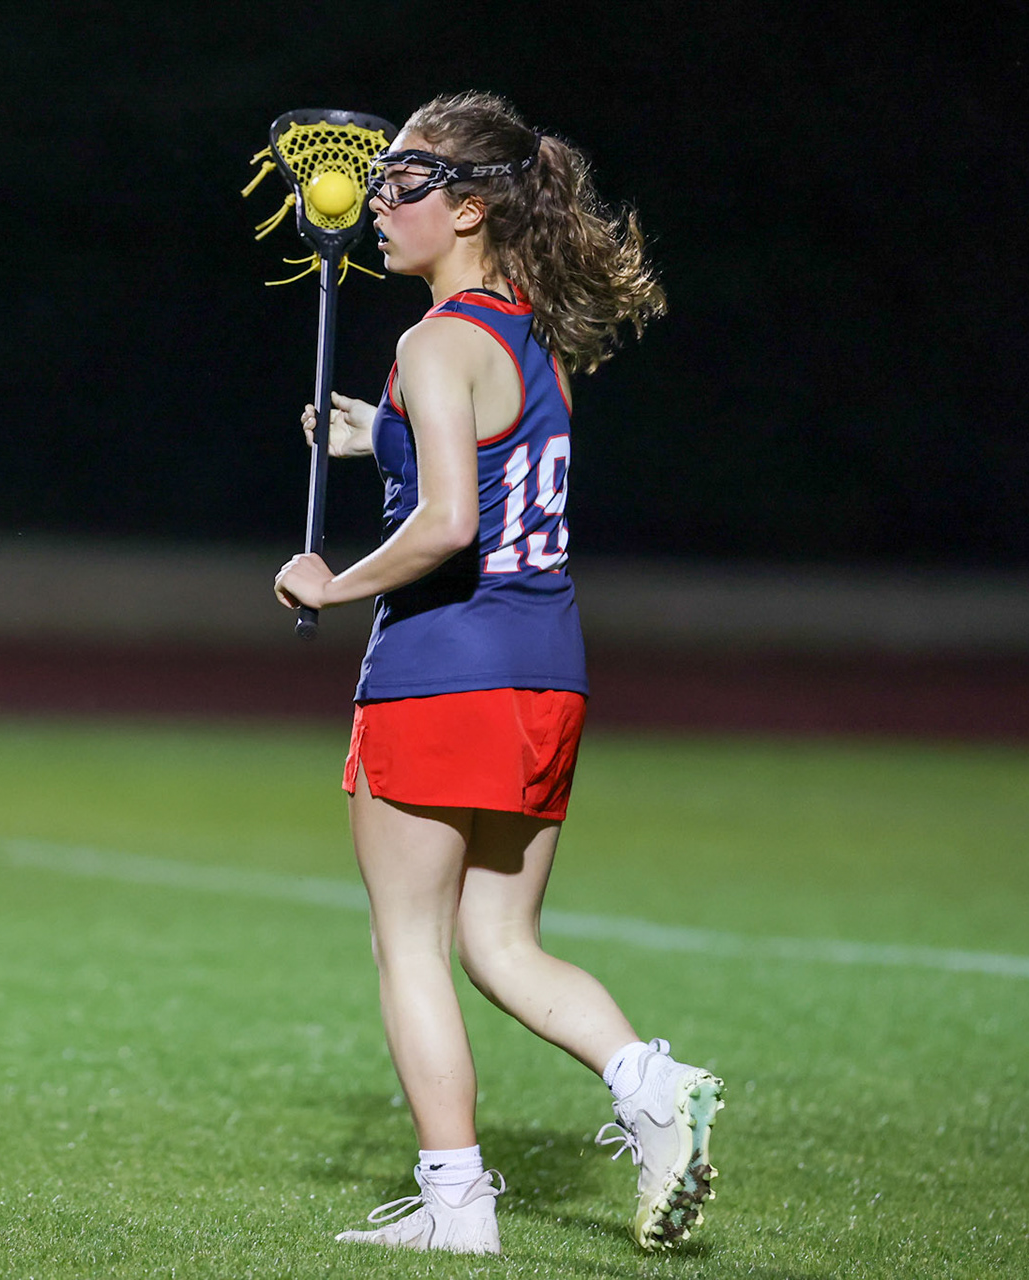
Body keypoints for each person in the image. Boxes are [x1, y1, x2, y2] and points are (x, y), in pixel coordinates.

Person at [272, 91, 722, 1256]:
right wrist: (387, 432)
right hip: (545, 673)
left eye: (407, 182)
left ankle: (457, 1201)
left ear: (469, 209)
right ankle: (653, 1085)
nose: (380, 200)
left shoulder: (431, 340)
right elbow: (492, 449)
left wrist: (334, 581)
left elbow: (448, 525)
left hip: (439, 668)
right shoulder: (537, 341)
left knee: (408, 944)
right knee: (501, 942)